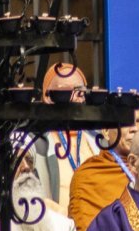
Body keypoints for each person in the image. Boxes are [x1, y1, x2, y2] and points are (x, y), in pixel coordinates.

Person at [39, 62, 96, 206]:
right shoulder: (37, 145)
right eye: (65, 92)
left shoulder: (98, 141)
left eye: (80, 92)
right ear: (48, 97)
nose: (75, 98)